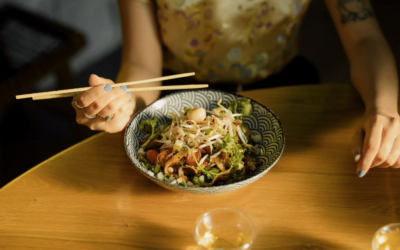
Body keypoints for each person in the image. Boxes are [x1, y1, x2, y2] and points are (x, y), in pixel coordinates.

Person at [71, 0, 400, 177]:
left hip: (284, 84)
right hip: (180, 95)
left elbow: (365, 39)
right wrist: (125, 101)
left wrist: (383, 110)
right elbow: (142, 65)